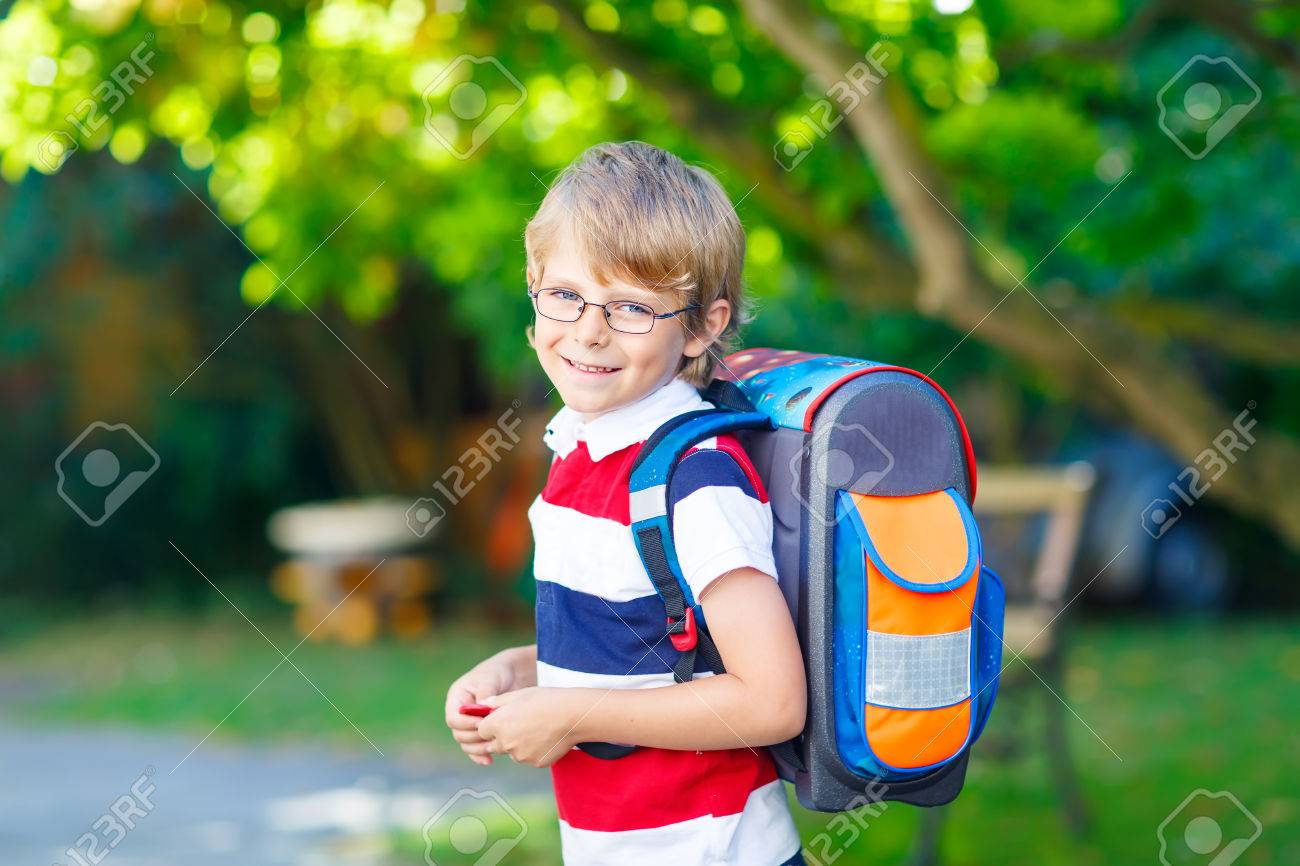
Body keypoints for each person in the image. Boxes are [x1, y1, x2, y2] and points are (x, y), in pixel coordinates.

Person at [444, 140, 807, 866]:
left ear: (702, 326)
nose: (588, 330)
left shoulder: (696, 480)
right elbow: (644, 652)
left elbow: (771, 701)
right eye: (567, 295)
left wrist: (570, 714)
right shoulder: (579, 450)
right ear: (534, 287)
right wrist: (523, 674)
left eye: (632, 307)